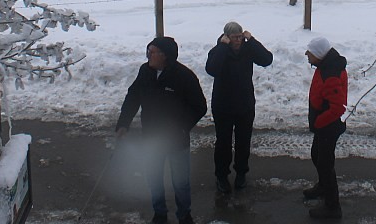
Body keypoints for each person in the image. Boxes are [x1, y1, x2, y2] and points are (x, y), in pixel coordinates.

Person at [116, 35, 208, 224]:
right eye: (147, 51)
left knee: (180, 182)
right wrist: (123, 123)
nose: (148, 56)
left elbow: (199, 106)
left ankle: (184, 215)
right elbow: (133, 97)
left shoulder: (184, 76)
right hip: (151, 138)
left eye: (152, 52)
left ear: (165, 55)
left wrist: (182, 128)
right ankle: (160, 214)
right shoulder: (145, 72)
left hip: (177, 140)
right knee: (154, 179)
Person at [205, 20, 274, 193]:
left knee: (243, 142)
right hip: (223, 105)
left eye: (240, 37)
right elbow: (212, 69)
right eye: (234, 38)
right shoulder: (218, 51)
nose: (238, 41)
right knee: (223, 143)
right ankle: (221, 176)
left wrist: (252, 40)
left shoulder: (248, 49)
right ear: (226, 37)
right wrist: (222, 47)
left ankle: (241, 173)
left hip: (245, 104)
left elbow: (267, 59)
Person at [303, 35, 347, 219]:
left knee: (325, 164)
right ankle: (323, 186)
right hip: (323, 124)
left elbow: (338, 108)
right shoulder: (324, 65)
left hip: (329, 125)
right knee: (317, 155)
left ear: (320, 54)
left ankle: (332, 207)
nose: (307, 55)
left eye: (310, 52)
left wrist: (319, 122)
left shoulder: (331, 74)